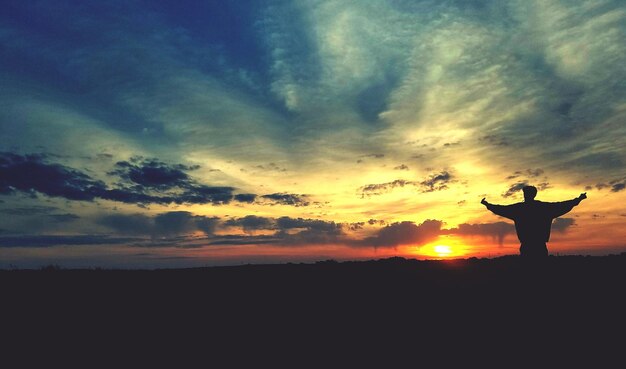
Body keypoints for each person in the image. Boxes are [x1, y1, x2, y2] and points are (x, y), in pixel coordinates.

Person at [481, 185, 586, 258]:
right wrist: (578, 200)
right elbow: (562, 205)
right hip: (537, 246)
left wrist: (488, 205)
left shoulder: (520, 209)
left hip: (530, 246)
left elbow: (501, 209)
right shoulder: (543, 208)